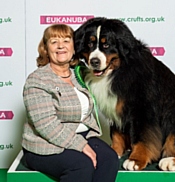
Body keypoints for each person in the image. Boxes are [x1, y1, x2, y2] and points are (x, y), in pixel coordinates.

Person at [21, 24, 119, 182]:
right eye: (54, 42)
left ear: (74, 47)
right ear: (46, 48)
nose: (60, 46)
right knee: (81, 165)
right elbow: (46, 125)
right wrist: (81, 145)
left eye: (66, 40)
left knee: (110, 159)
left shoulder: (81, 75)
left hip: (84, 136)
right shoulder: (37, 80)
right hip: (45, 144)